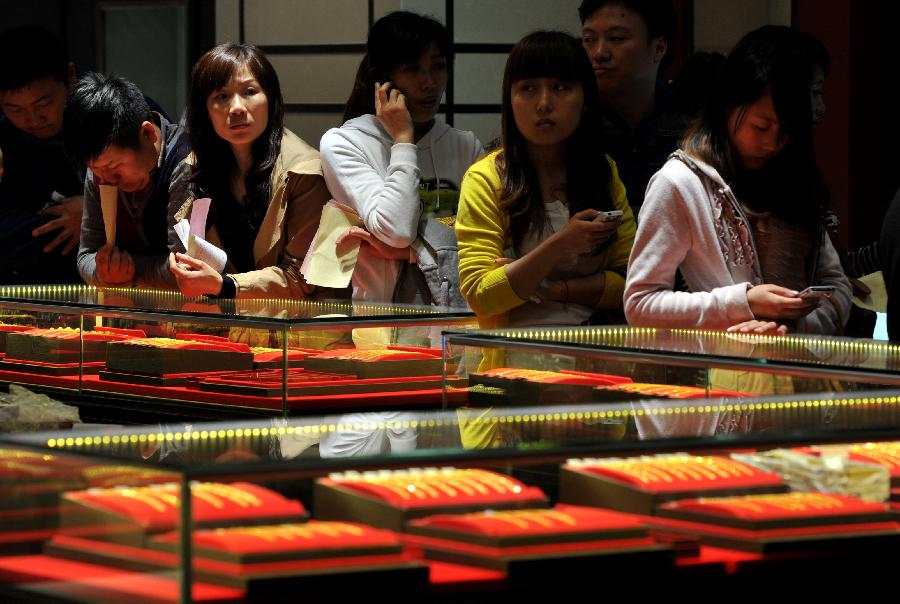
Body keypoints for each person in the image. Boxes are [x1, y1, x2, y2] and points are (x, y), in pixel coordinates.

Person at [624, 25, 851, 337]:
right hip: (720, 376)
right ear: (727, 105)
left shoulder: (792, 176)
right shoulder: (679, 182)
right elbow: (640, 303)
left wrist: (796, 325)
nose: (773, 143)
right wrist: (742, 302)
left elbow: (836, 286)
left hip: (802, 371)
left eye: (787, 130)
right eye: (761, 126)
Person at [456, 30, 635, 331]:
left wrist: (552, 289)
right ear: (510, 100)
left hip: (599, 353)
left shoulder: (603, 170)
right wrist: (560, 244)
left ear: (586, 99)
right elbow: (480, 293)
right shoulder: (486, 178)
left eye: (560, 87)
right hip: (512, 358)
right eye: (527, 88)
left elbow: (632, 282)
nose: (543, 103)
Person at [319, 10, 482, 304]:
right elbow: (397, 230)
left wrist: (411, 252)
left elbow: (484, 239)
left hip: (461, 319)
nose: (430, 82)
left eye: (438, 66)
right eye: (412, 69)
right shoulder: (344, 143)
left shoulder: (466, 147)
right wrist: (404, 140)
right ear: (384, 79)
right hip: (383, 324)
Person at [169, 43, 339, 300]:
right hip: (231, 328)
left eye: (249, 91)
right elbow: (196, 247)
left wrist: (226, 286)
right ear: (205, 109)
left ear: (270, 98)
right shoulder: (197, 168)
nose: (237, 107)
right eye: (222, 96)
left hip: (299, 328)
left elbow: (303, 277)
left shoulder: (304, 172)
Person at [64, 73, 190, 288]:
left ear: (148, 133)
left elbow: (186, 268)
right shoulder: (99, 171)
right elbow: (86, 255)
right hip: (132, 312)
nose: (107, 179)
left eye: (114, 167)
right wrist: (102, 272)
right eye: (95, 169)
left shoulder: (185, 163)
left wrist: (126, 271)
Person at [579, 0, 691, 215]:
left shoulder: (692, 128)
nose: (599, 53)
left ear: (659, 48)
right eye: (589, 39)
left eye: (616, 38)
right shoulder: (571, 123)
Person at [0, 25, 83, 283]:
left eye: (44, 104)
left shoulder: (112, 118)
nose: (33, 119)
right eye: (15, 109)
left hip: (108, 287)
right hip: (22, 290)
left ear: (70, 75)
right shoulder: (5, 136)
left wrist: (97, 212)